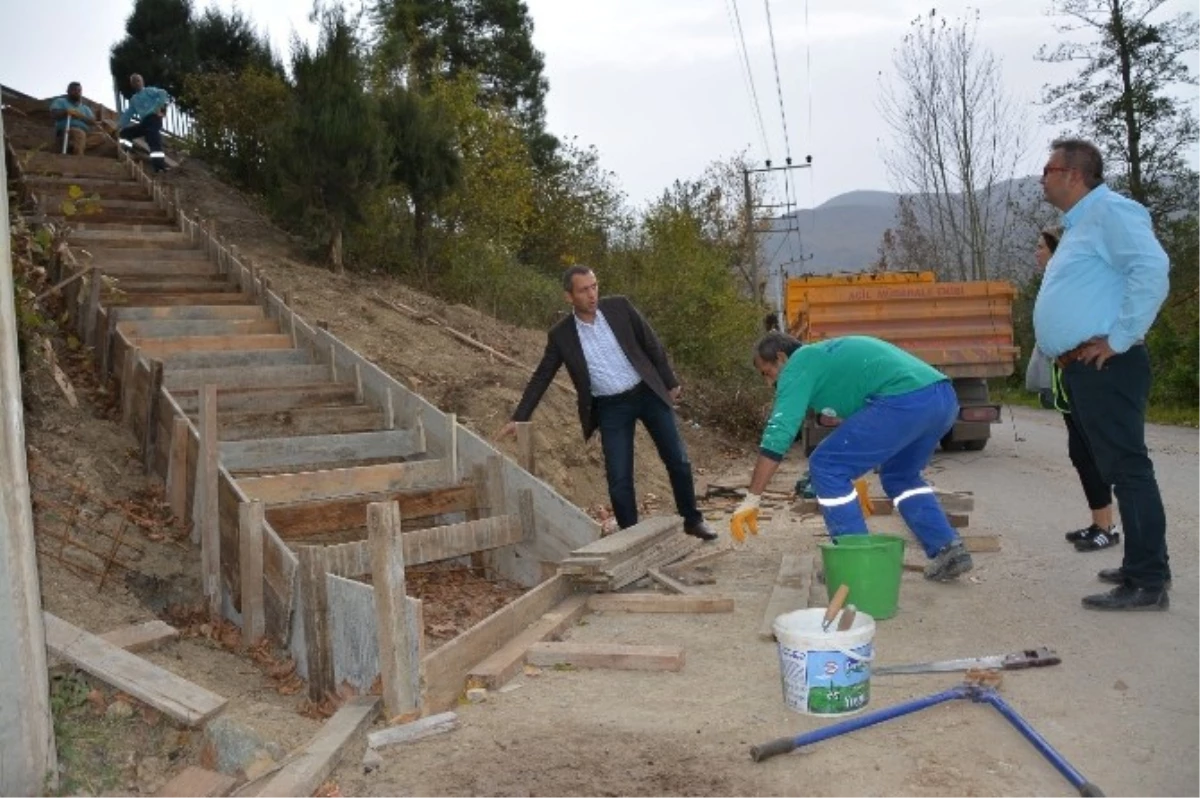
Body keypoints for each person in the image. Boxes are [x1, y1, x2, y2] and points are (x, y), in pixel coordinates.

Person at [1034, 137, 1170, 611]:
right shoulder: (1080, 225)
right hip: (1086, 368)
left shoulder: (1110, 211)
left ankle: (1147, 582)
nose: (1042, 177)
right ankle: (1139, 566)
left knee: (1129, 471)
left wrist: (1118, 338)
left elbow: (1151, 269)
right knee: (1117, 469)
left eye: (1048, 169)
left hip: (1108, 364)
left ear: (1074, 174)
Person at [496, 266, 717, 541]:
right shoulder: (561, 335)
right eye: (583, 290)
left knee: (678, 460)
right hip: (611, 407)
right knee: (619, 478)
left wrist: (670, 383)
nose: (592, 294)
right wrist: (520, 416)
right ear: (569, 296)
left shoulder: (619, 307)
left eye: (594, 286)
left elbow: (651, 343)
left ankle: (692, 519)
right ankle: (631, 537)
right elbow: (543, 375)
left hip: (646, 392)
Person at [730, 332, 973, 582]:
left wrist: (753, 497)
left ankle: (854, 560)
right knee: (901, 477)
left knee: (826, 464)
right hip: (940, 398)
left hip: (904, 400)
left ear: (781, 358)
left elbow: (778, 433)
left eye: (766, 373)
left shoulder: (800, 363)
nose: (768, 383)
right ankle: (948, 548)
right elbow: (862, 427)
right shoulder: (825, 361)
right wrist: (856, 475)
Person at [1027, 225, 1119, 552]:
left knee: (1094, 452)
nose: (1036, 252)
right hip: (1066, 381)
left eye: (1041, 246)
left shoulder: (1071, 282)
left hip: (1086, 374)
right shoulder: (1054, 283)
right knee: (1080, 452)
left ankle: (1107, 527)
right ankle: (1099, 521)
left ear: (1058, 251)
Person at [116, 74, 172, 173]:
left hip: (154, 119)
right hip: (145, 122)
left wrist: (158, 107)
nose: (136, 83)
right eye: (133, 82)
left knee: (153, 140)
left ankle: (159, 168)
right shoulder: (134, 99)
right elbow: (128, 113)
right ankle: (126, 153)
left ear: (142, 82)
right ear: (131, 85)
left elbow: (163, 93)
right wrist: (120, 125)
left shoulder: (149, 91)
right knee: (125, 133)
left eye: (138, 80)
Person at [48, 82, 95, 155]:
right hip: (67, 130)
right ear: (68, 91)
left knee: (102, 137)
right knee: (79, 134)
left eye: (79, 91)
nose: (77, 92)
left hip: (85, 134)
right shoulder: (60, 101)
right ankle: (77, 159)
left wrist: (81, 116)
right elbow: (54, 114)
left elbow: (92, 121)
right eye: (74, 90)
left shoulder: (85, 108)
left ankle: (73, 145)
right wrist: (66, 112)